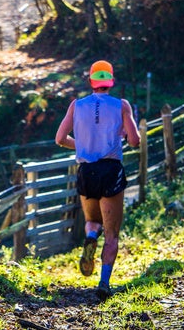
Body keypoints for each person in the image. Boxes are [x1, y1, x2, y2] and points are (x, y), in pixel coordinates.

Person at [55, 60, 140, 299]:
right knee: (112, 233)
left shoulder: (76, 105)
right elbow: (135, 141)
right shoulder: (122, 106)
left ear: (92, 82)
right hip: (111, 170)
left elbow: (60, 138)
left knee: (92, 220)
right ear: (110, 81)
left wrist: (81, 144)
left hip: (86, 171)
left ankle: (91, 237)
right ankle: (103, 282)